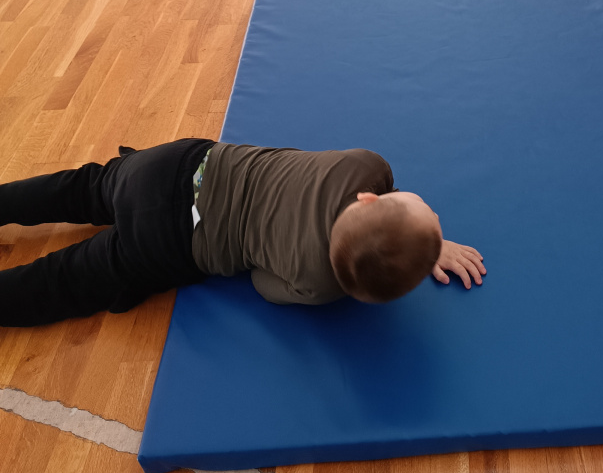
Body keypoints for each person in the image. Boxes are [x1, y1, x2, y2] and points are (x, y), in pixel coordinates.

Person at [0, 138, 486, 328]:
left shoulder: (365, 167)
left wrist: (425, 237)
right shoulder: (320, 284)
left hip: (175, 166)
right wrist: (423, 251)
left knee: (80, 188)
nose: (434, 211)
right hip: (170, 242)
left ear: (370, 199)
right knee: (64, 280)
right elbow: (261, 283)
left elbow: (388, 203)